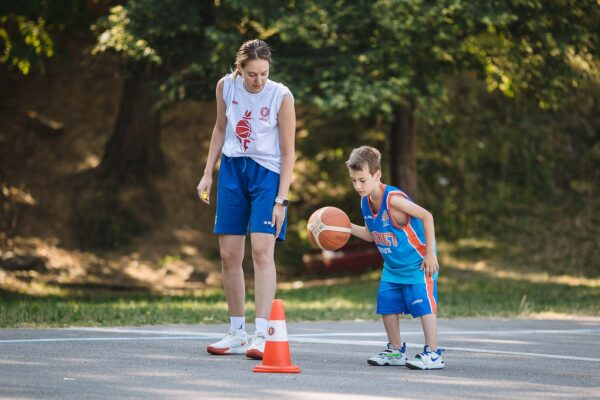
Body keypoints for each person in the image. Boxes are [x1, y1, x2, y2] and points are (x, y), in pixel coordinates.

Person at [196, 39, 296, 360]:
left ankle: (262, 333)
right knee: (228, 254)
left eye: (264, 73)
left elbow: (288, 151)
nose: (258, 80)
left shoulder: (281, 96)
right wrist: (208, 173)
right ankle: (237, 331)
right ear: (239, 68)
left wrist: (281, 199)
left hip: (267, 174)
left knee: (262, 251)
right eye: (252, 74)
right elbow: (220, 128)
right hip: (232, 169)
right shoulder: (226, 87)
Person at [345, 146, 444, 370]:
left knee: (424, 309)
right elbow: (372, 235)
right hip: (392, 267)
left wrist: (430, 254)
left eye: (362, 180)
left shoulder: (394, 200)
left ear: (377, 175)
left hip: (417, 264)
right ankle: (396, 350)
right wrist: (346, 227)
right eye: (353, 181)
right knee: (387, 307)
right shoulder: (365, 202)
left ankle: (434, 354)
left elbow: (427, 216)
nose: (357, 186)